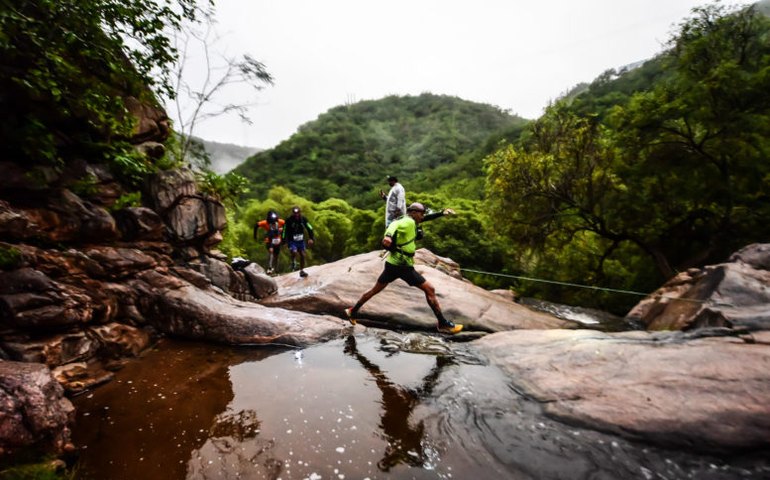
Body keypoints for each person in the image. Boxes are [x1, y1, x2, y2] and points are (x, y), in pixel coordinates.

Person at [345, 202, 462, 334]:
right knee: (430, 290)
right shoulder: (407, 222)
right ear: (414, 213)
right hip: (402, 266)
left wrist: (441, 213)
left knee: (374, 290)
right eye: (421, 213)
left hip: (392, 264)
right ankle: (443, 323)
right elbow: (393, 226)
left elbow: (424, 218)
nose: (423, 216)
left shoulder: (410, 219)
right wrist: (387, 236)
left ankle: (352, 311)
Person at [281, 206, 315, 278]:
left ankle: (302, 270)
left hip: (300, 240)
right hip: (292, 240)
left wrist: (311, 238)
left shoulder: (303, 219)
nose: (296, 214)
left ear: (300, 213)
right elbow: (284, 230)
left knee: (303, 255)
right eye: (295, 213)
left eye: (298, 213)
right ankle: (293, 261)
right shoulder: (288, 220)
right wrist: (284, 240)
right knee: (294, 251)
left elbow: (310, 228)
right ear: (293, 213)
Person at [253, 210, 285, 275]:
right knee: (271, 251)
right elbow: (256, 225)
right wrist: (255, 236)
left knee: (276, 256)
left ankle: (276, 270)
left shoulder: (280, 221)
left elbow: (287, 225)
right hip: (269, 240)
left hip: (278, 240)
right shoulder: (265, 222)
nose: (273, 223)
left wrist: (283, 231)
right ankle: (270, 268)